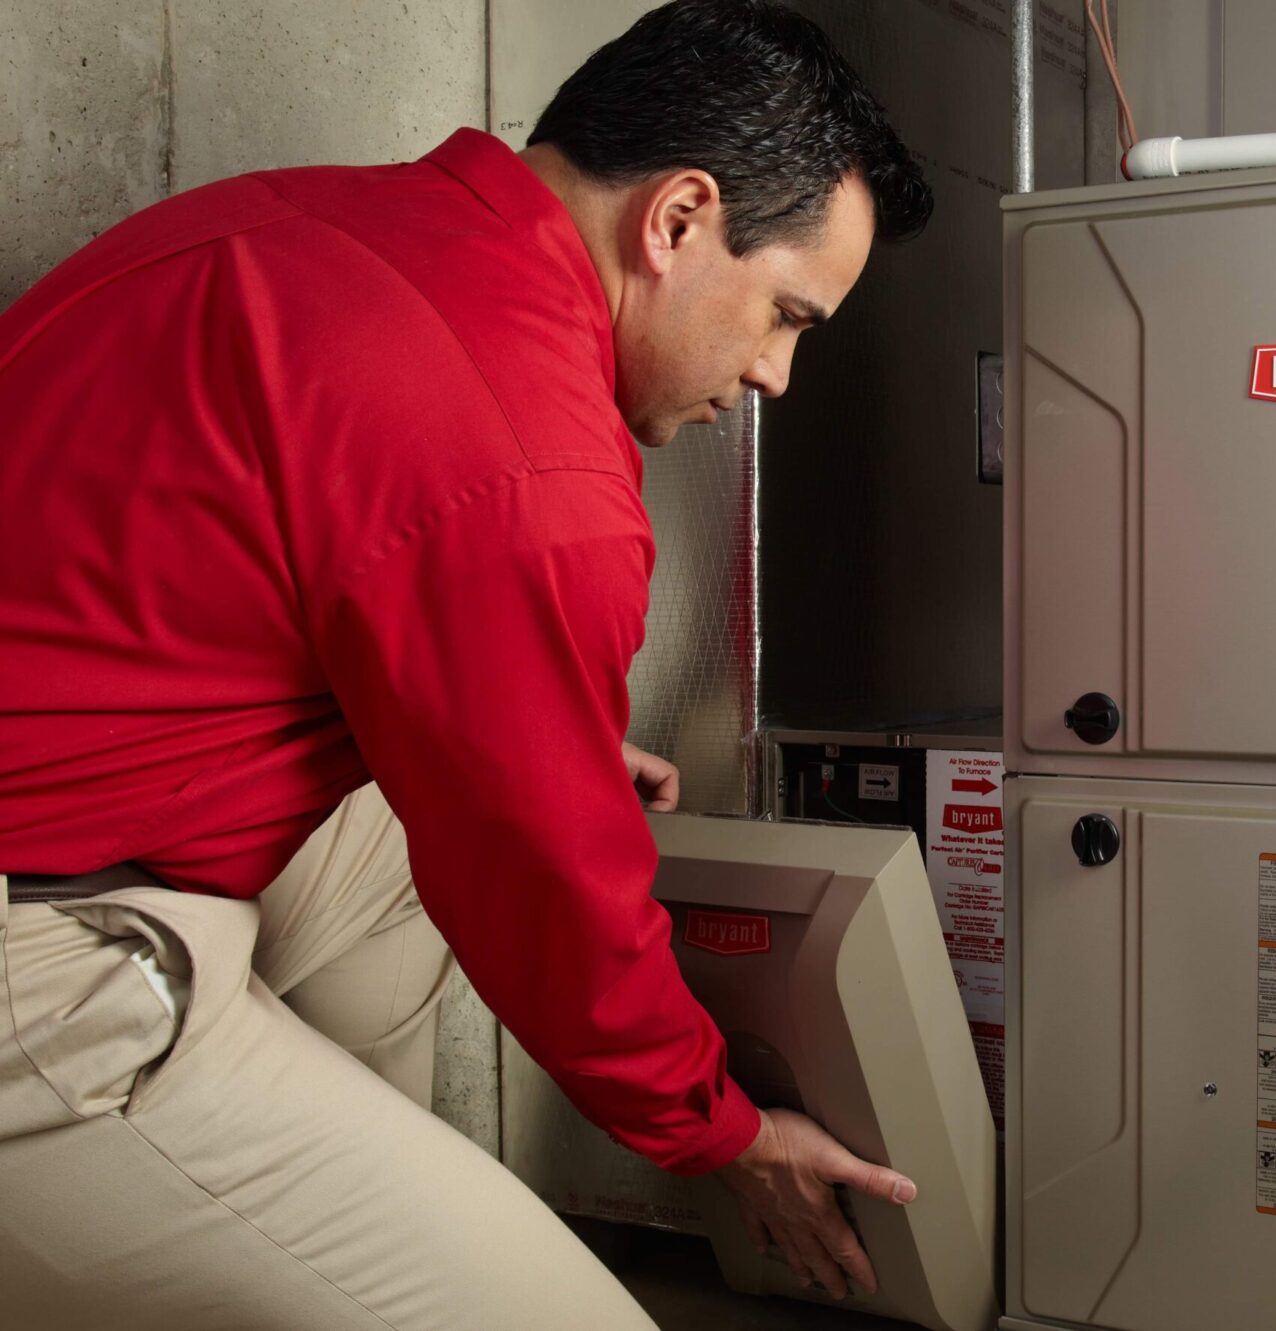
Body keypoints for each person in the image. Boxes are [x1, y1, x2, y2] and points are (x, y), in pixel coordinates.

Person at [0, 1, 933, 1326]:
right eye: (786, 315)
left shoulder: (296, 226)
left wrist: (514, 716)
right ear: (674, 220)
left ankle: (335, 1212)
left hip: (68, 805)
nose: (777, 374)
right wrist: (717, 1131)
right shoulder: (529, 460)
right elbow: (553, 900)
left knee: (399, 840)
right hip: (46, 954)